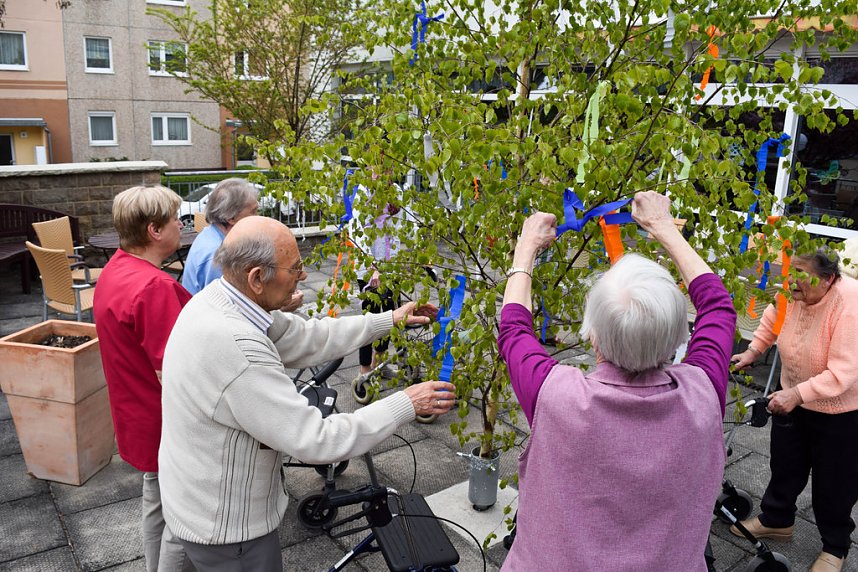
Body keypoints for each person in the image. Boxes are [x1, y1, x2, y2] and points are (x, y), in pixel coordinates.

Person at [158, 216, 455, 571]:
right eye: (295, 268)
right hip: (227, 530)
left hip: (192, 501)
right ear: (256, 278)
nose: (301, 276)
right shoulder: (238, 346)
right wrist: (406, 402)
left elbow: (307, 336)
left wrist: (388, 320)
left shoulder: (223, 300)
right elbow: (317, 440)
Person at [498, 191, 736, 571]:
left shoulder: (555, 395)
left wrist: (526, 247)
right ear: (679, 339)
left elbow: (512, 328)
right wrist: (662, 227)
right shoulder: (703, 391)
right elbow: (719, 306)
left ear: (593, 337)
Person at [730, 247, 858, 572]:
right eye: (790, 274)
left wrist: (797, 394)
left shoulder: (849, 304)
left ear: (829, 280)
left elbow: (844, 372)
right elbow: (773, 318)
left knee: (835, 481)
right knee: (785, 463)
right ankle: (777, 519)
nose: (792, 283)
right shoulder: (793, 290)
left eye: (802, 276)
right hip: (793, 395)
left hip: (839, 409)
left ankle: (835, 546)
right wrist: (754, 351)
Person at [92, 185, 194, 572]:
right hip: (164, 420)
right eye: (175, 220)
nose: (180, 226)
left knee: (156, 499)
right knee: (183, 520)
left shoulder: (116, 268)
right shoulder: (155, 288)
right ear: (154, 230)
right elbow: (180, 370)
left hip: (134, 412)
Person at [181, 178, 259, 295]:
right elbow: (223, 305)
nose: (258, 217)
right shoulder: (217, 254)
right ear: (231, 218)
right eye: (253, 211)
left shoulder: (210, 234)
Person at [352, 200, 403, 381]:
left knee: (390, 317)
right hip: (368, 271)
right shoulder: (364, 193)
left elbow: (399, 229)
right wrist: (373, 268)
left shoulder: (395, 191)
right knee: (370, 319)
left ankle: (379, 363)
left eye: (389, 169)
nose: (383, 171)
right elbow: (359, 234)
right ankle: (365, 370)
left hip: (390, 268)